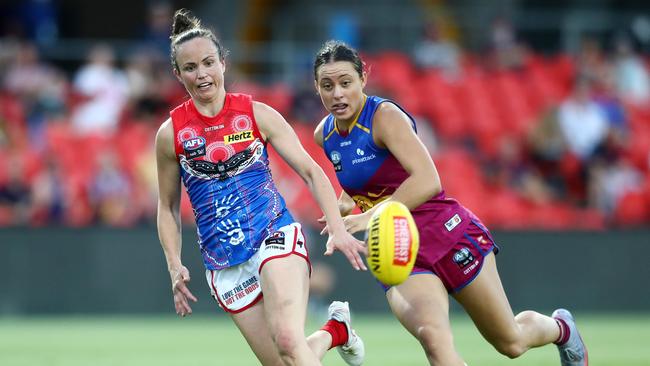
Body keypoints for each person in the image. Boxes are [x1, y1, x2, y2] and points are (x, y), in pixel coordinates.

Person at [312, 40, 588, 366]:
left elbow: (429, 181)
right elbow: (359, 176)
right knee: (434, 339)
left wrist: (370, 215)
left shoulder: (383, 117)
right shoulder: (325, 135)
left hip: (446, 232)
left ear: (363, 79)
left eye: (346, 82)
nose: (338, 94)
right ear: (317, 88)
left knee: (510, 342)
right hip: (399, 248)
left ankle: (561, 328)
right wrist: (343, 207)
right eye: (327, 86)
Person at [155, 11, 367, 366]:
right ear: (178, 74)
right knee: (288, 359)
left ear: (223, 63)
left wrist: (338, 227)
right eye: (190, 67)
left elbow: (312, 172)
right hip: (224, 262)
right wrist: (174, 263)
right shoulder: (170, 134)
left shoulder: (258, 114)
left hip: (274, 234)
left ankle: (332, 331)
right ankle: (335, 331)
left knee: (287, 339)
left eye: (209, 62)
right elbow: (168, 207)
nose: (202, 73)